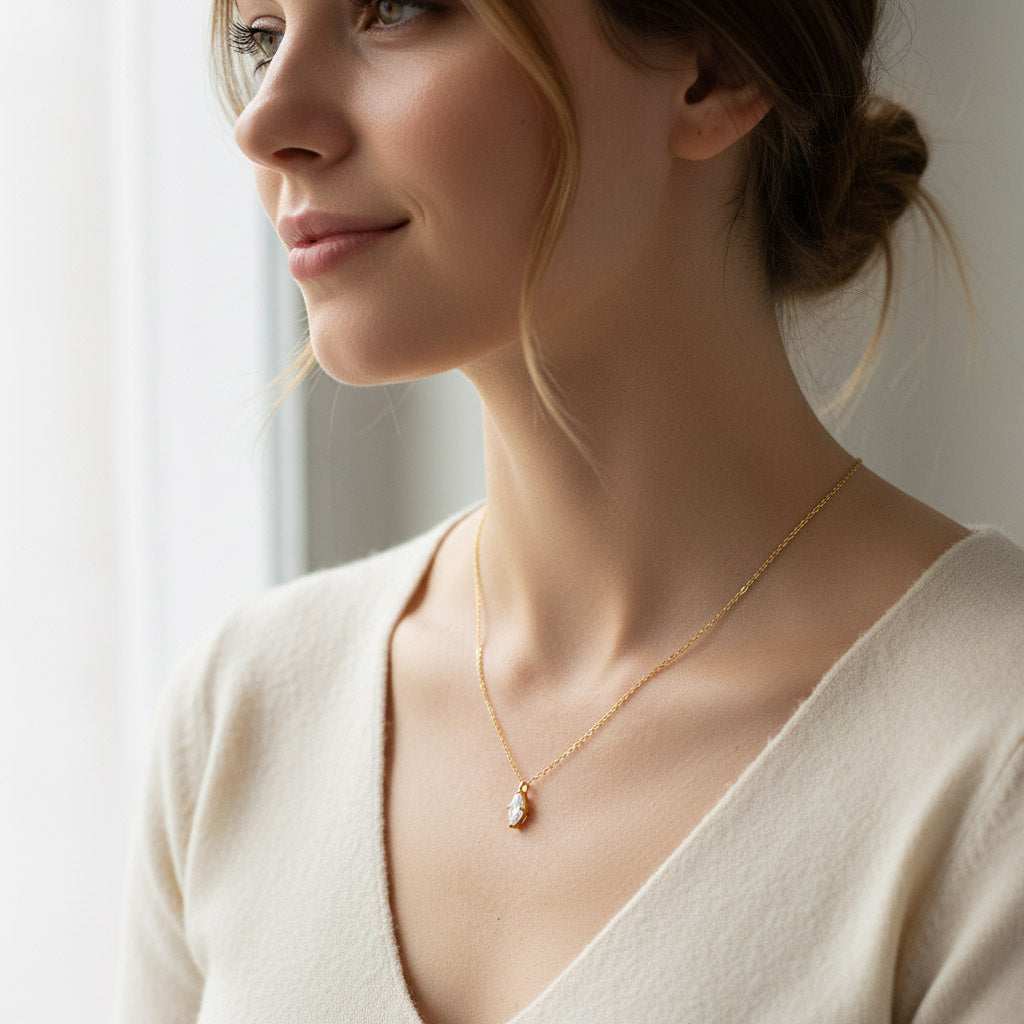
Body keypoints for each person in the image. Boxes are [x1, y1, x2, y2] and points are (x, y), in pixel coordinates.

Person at [114, 1, 1024, 1021]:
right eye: (259, 34)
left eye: (397, 8)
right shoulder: (242, 721)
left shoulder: (987, 760)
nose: (264, 120)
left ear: (714, 65)